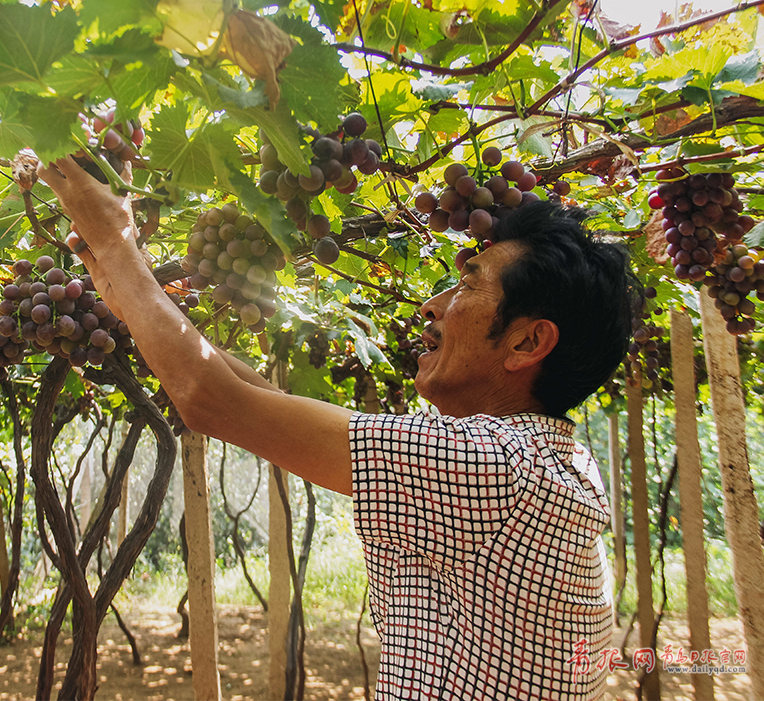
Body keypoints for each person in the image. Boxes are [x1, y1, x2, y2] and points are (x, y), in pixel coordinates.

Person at [37, 156, 640, 700]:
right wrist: (132, 302)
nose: (431, 305)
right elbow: (262, 401)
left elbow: (211, 401)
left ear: (528, 341)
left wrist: (116, 244)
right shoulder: (546, 462)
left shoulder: (495, 470)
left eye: (468, 285)